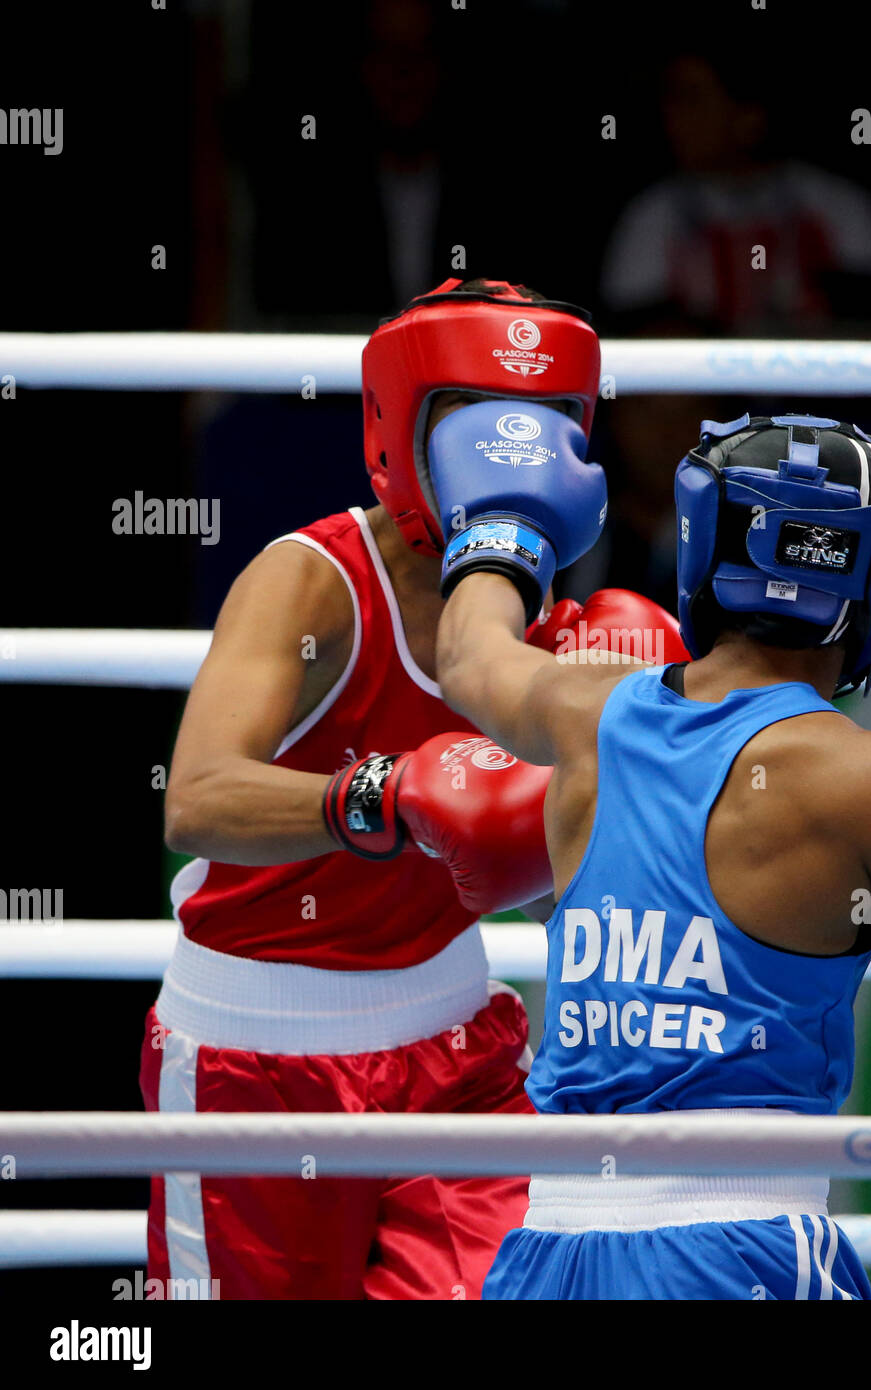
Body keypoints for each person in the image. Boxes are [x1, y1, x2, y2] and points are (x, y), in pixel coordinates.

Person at [428, 407, 871, 1300]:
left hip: (549, 1249)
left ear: (706, 545)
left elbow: (468, 657)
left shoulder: (582, 714)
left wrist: (506, 519)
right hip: (742, 1249)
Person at [142, 277, 685, 1300]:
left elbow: (535, 866)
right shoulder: (310, 581)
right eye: (482, 425)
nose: (514, 457)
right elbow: (198, 797)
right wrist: (379, 797)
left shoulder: (544, 613)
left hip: (456, 1047)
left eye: (543, 424)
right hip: (258, 1062)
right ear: (403, 424)